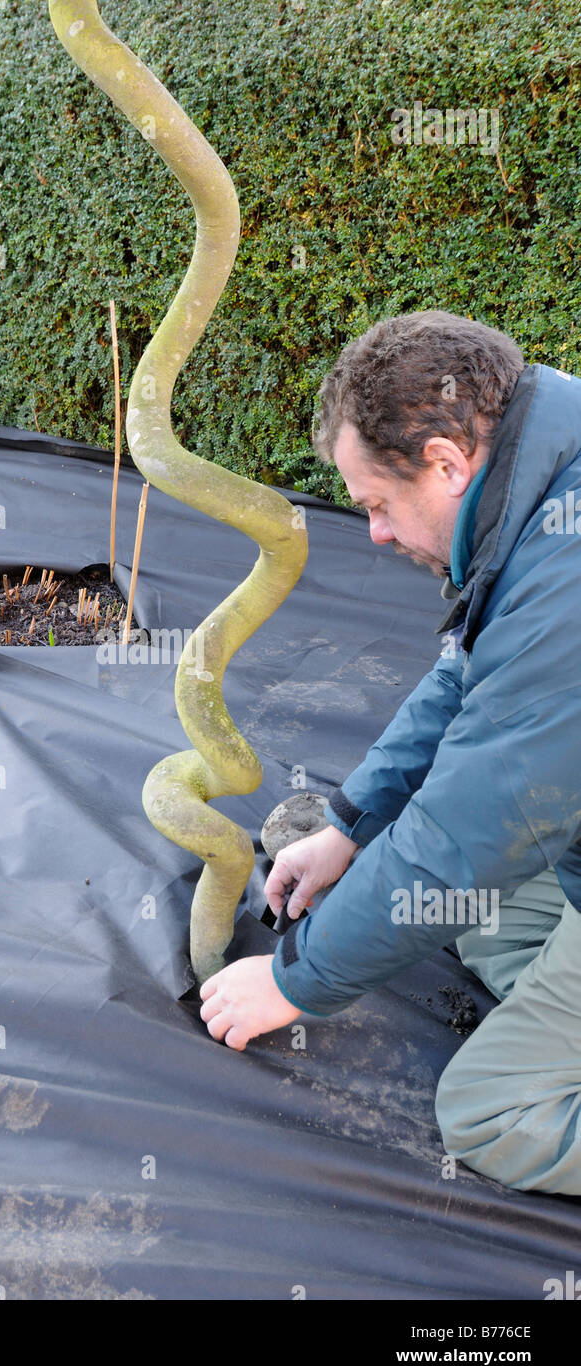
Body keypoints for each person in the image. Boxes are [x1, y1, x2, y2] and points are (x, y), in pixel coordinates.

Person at [199, 309, 581, 1195]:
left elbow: (472, 830)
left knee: (493, 1113)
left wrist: (299, 980)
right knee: (478, 919)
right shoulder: (542, 485)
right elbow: (462, 682)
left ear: (447, 462)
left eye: (375, 503)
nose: (371, 531)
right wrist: (349, 824)